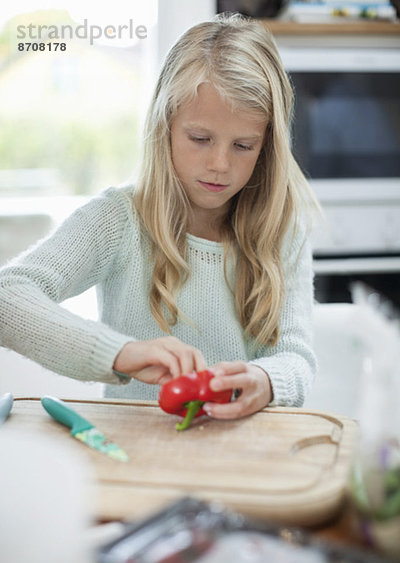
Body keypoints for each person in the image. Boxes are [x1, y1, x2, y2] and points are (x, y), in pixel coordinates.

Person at [0, 13, 318, 420]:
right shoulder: (117, 221)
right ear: (164, 125)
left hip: (243, 461)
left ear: (268, 146)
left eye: (244, 145)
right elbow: (9, 295)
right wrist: (120, 353)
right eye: (200, 139)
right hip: (134, 460)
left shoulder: (282, 233)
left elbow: (296, 358)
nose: (220, 163)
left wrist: (267, 380)